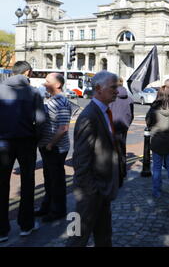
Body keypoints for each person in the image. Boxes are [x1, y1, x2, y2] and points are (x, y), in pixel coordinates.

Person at [67, 71, 124, 247]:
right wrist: (90, 191)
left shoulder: (105, 111)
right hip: (89, 192)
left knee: (104, 236)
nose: (117, 91)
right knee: (76, 237)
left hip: (103, 188)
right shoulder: (88, 116)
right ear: (98, 88)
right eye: (113, 87)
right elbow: (81, 159)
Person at [0, 61, 46, 243]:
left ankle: (2, 230)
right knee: (28, 181)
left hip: (2, 141)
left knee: (2, 183)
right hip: (26, 141)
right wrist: (36, 137)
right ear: (27, 72)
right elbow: (41, 120)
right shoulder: (33, 92)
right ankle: (26, 224)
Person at [35, 73, 72, 222]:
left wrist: (50, 145)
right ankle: (47, 206)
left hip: (55, 148)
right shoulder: (53, 100)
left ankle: (57, 211)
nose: (44, 84)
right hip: (48, 147)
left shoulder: (60, 102)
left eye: (47, 81)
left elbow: (63, 128)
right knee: (49, 179)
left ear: (57, 85)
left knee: (56, 181)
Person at [145, 86, 169, 198]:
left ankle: (157, 191)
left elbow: (148, 122)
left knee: (157, 167)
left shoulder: (153, 108)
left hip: (157, 140)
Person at [109, 77, 134, 176]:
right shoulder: (129, 99)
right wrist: (127, 124)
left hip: (112, 126)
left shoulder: (111, 97)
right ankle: (122, 172)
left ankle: (114, 173)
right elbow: (131, 115)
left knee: (111, 151)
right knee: (122, 149)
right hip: (123, 127)